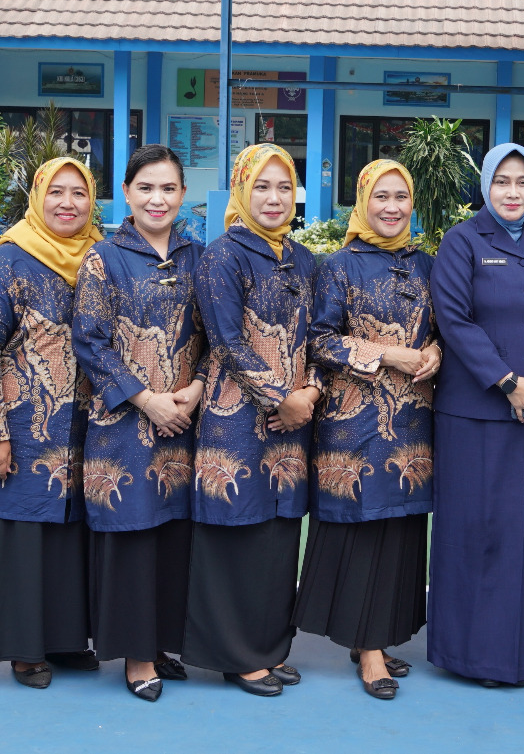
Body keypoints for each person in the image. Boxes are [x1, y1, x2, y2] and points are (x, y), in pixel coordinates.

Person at [428, 142, 524, 688]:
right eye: (502, 181)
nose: (513, 192)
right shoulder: (462, 241)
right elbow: (454, 320)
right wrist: (508, 383)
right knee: (480, 533)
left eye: (523, 182)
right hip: (476, 416)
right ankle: (476, 656)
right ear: (486, 186)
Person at [0, 157, 103, 688]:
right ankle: (23, 649)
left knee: (69, 535)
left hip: (84, 424)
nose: (68, 203)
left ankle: (65, 638)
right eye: (56, 191)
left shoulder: (98, 256)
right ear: (37, 196)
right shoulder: (8, 259)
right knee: (24, 534)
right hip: (22, 425)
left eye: (78, 193)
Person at [296, 159, 441, 701]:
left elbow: (445, 328)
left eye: (401, 197)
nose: (392, 207)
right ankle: (370, 650)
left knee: (399, 529)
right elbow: (320, 340)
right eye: (380, 196)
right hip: (354, 424)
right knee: (362, 526)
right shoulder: (339, 266)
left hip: (413, 424)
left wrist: (435, 351)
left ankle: (376, 636)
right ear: (362, 202)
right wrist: (389, 355)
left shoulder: (427, 265)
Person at [73, 145, 207, 702]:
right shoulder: (103, 258)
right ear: (126, 194)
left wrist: (197, 388)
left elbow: (217, 333)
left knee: (174, 535)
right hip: (124, 425)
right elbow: (90, 341)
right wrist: (146, 399)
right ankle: (137, 656)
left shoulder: (199, 257)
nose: (158, 199)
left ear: (183, 195)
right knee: (132, 534)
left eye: (168, 188)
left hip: (184, 422)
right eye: (146, 188)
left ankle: (164, 642)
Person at [187, 143, 321, 697]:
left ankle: (268, 648)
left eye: (284, 187)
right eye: (261, 186)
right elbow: (226, 341)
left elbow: (318, 335)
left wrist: (310, 390)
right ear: (242, 190)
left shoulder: (303, 259)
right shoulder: (222, 255)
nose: (274, 198)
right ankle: (236, 655)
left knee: (277, 537)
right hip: (235, 419)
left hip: (292, 424)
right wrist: (280, 398)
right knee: (235, 534)